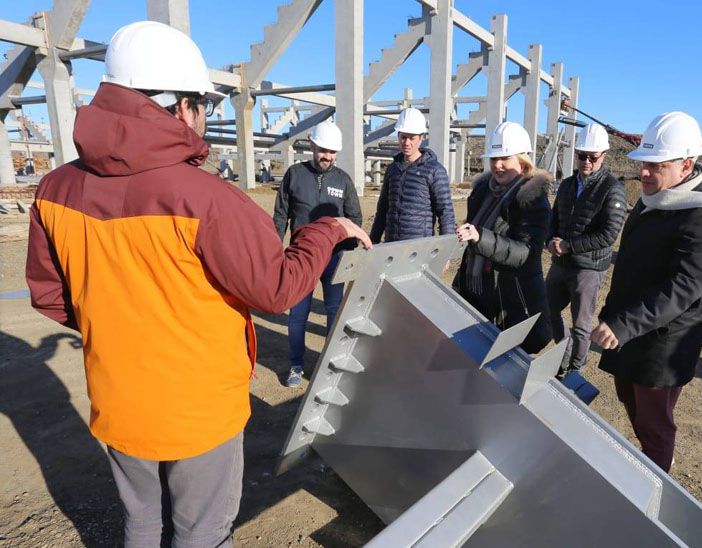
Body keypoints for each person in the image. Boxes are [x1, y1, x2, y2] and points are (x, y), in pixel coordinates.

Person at [25, 21, 371, 547]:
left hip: (117, 398)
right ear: (182, 106)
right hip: (198, 409)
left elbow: (51, 296)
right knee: (202, 532)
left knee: (140, 524)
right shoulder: (207, 199)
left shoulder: (55, 190)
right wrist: (328, 229)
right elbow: (278, 288)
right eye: (204, 105)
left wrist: (117, 325)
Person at [590, 112, 702, 473]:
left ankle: (657, 483)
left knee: (654, 421)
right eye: (644, 164)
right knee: (628, 397)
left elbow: (683, 288)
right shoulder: (651, 201)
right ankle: (652, 457)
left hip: (663, 340)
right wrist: (614, 316)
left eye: (656, 166)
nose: (644, 173)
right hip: (630, 328)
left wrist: (623, 324)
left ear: (686, 164)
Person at [273, 120, 362, 387]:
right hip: (301, 258)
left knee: (334, 311)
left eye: (332, 152)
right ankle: (296, 365)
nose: (328, 156)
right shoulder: (294, 174)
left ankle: (329, 364)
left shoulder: (343, 180)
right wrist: (275, 248)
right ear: (312, 146)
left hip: (333, 258)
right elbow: (281, 214)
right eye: (323, 150)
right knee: (298, 314)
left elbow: (355, 217)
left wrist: (347, 252)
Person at [453, 122, 553, 354]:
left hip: (510, 299)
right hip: (478, 292)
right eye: (493, 158)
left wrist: (481, 238)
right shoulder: (483, 193)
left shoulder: (532, 199)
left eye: (505, 158)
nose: (497, 165)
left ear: (522, 160)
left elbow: (525, 253)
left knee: (507, 359)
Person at [545, 123, 626, 376]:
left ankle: (576, 370)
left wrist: (570, 246)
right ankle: (564, 355)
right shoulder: (568, 185)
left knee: (581, 324)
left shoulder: (612, 189)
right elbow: (553, 218)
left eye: (593, 157)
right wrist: (550, 241)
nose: (587, 162)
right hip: (561, 263)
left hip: (588, 268)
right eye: (582, 156)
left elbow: (608, 234)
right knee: (546, 308)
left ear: (604, 155)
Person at [369, 107, 456, 243]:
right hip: (391, 246)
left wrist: (446, 248)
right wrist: (373, 241)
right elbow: (382, 210)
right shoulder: (392, 170)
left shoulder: (435, 171)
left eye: (412, 138)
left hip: (419, 248)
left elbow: (445, 212)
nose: (407, 143)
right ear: (398, 136)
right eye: (403, 137)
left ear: (421, 138)